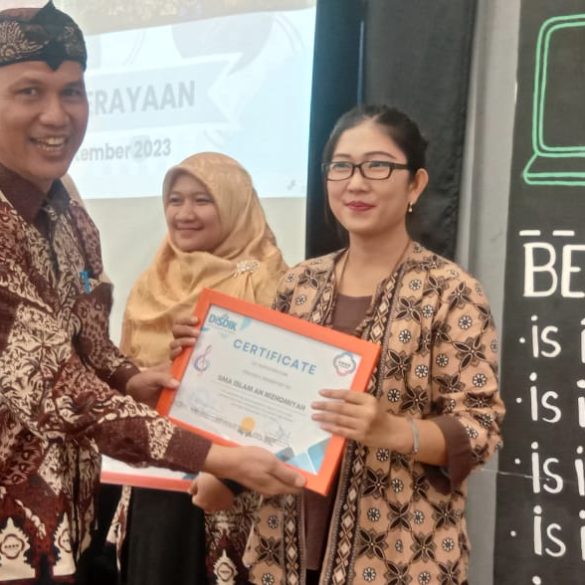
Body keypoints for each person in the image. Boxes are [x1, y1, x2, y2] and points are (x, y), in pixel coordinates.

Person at [0, 4, 303, 584]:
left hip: (68, 527)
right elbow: (56, 387)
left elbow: (88, 343)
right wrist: (216, 457)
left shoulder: (69, 217)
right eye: (29, 91)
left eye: (72, 92)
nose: (56, 115)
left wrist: (131, 379)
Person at [188, 104, 505, 585]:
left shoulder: (451, 292)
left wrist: (393, 431)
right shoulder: (299, 284)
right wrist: (223, 464)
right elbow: (265, 407)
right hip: (283, 548)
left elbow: (480, 427)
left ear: (415, 184)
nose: (356, 183)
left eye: (378, 166)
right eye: (341, 166)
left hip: (401, 557)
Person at [115, 152, 288, 585]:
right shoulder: (151, 281)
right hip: (158, 477)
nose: (184, 214)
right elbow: (126, 375)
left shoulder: (269, 279)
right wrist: (161, 372)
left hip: (233, 483)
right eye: (175, 200)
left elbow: (281, 392)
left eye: (203, 200)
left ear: (234, 204)